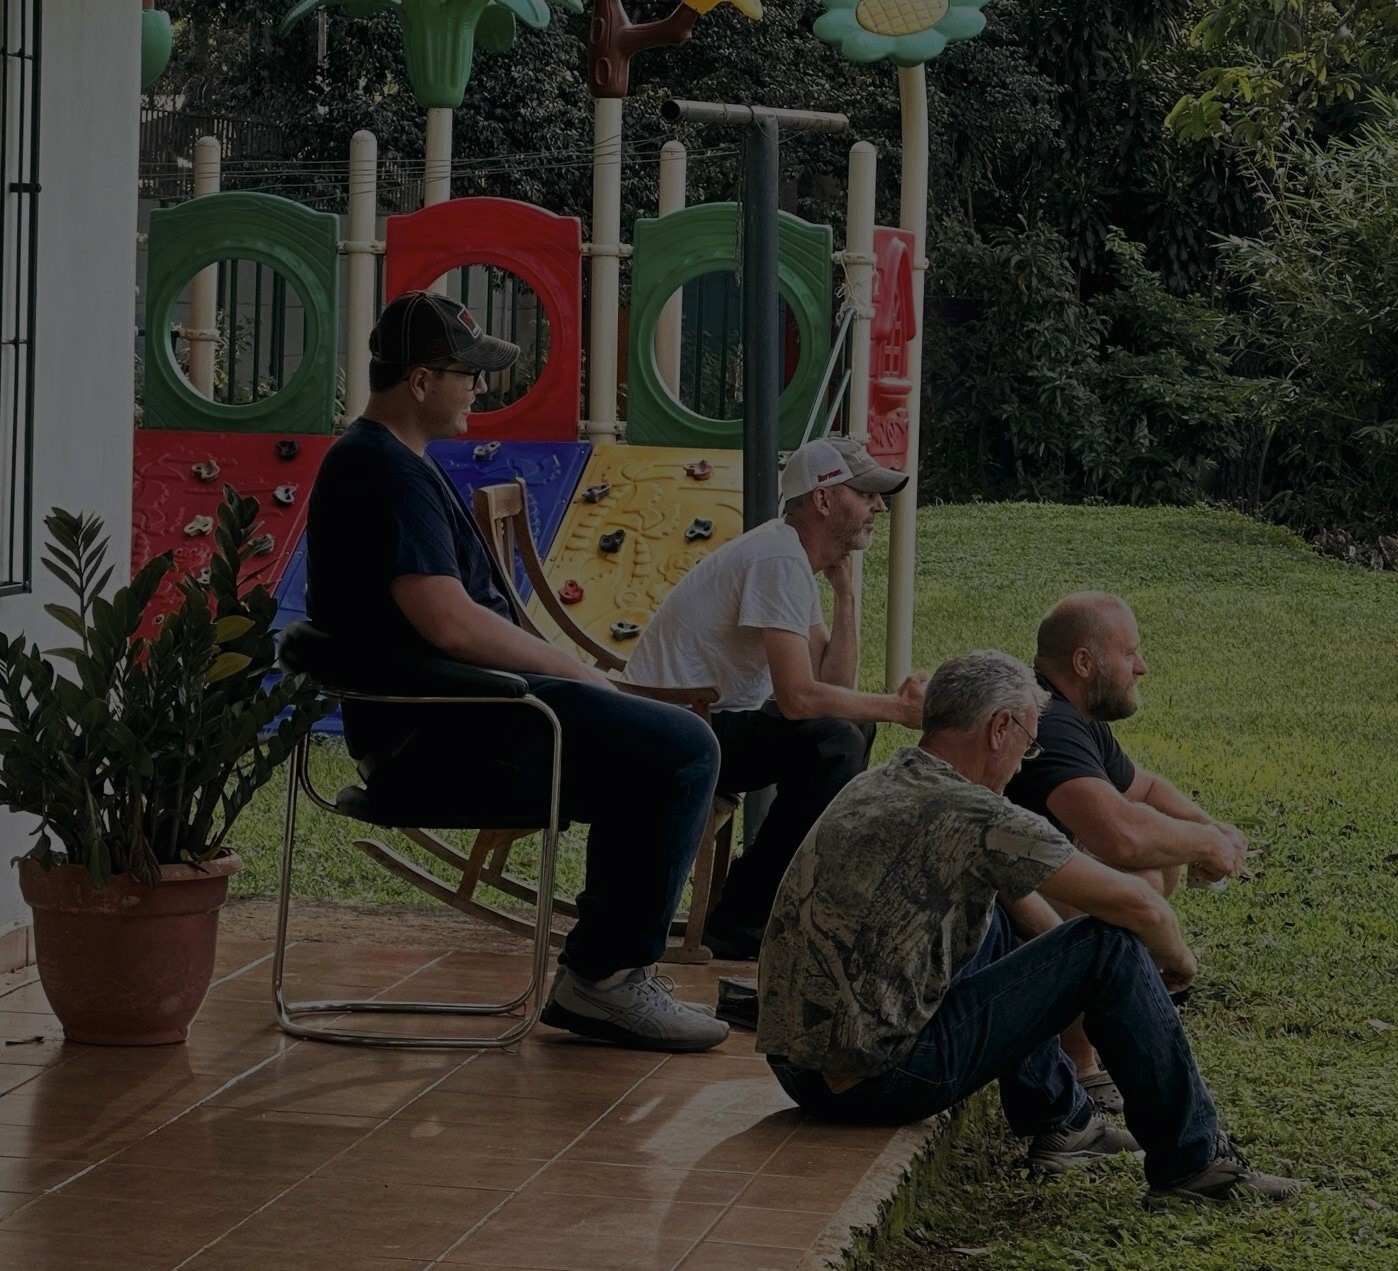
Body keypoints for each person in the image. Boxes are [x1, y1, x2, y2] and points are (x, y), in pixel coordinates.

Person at [305, 289, 728, 1053]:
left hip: (457, 721)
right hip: (438, 740)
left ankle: (603, 976)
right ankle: (605, 981)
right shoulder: (381, 471)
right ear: (421, 380)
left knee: (657, 754)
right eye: (467, 372)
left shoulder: (389, 461)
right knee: (683, 750)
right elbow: (448, 620)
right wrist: (579, 674)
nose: (481, 387)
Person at [756, 650, 1300, 1205]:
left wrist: (1061, 978)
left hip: (800, 1070)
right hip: (873, 1082)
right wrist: (1178, 967)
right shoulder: (977, 817)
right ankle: (1196, 1165)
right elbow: (1140, 908)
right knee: (1108, 943)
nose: (1023, 761)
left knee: (997, 921)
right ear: (999, 728)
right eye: (1028, 743)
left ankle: (1062, 1119)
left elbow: (1032, 923)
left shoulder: (882, 781)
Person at [623, 436, 929, 960]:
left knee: (851, 729)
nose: (880, 506)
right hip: (675, 729)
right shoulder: (777, 559)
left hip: (705, 716)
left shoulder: (788, 553)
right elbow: (799, 700)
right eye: (867, 493)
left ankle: (754, 910)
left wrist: (845, 595)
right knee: (834, 740)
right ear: (823, 499)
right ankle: (747, 917)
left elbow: (830, 685)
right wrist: (900, 709)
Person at [1005, 592, 1249, 1108]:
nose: (1142, 667)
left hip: (1025, 883)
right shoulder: (1049, 722)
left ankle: (1090, 1043)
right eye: (1129, 654)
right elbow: (1123, 835)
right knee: (1127, 896)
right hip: (997, 908)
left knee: (1150, 869)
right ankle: (1082, 1064)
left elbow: (1142, 789)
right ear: (1084, 662)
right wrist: (1203, 844)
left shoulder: (1074, 712)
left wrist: (1213, 829)